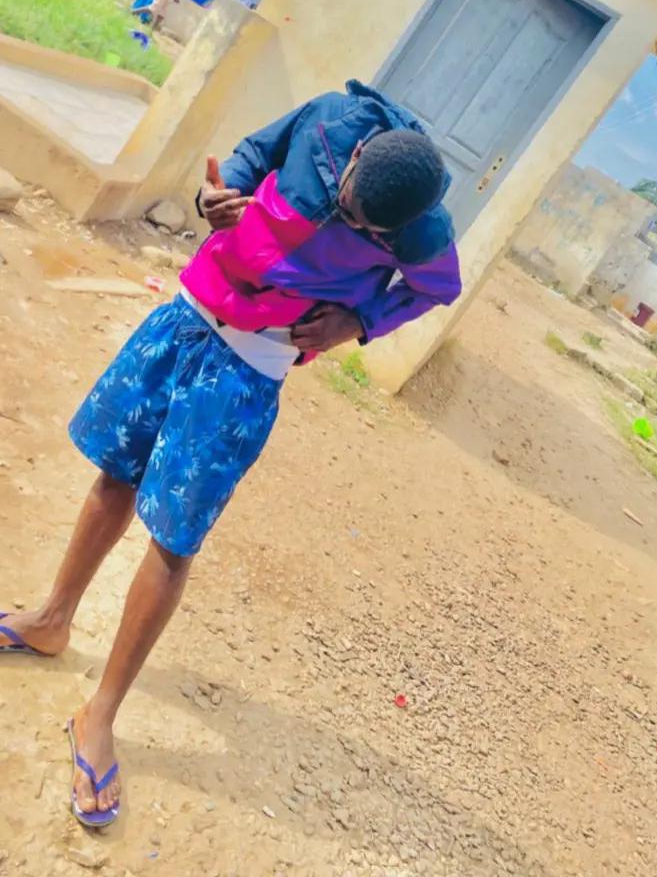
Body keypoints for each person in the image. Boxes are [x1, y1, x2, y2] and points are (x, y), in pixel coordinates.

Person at [0, 81, 461, 828]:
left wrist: (357, 321)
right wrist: (221, 195)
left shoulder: (422, 227)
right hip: (186, 314)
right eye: (345, 203)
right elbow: (250, 155)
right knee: (114, 476)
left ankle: (101, 713)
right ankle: (52, 619)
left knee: (172, 541)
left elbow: (438, 287)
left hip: (249, 369)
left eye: (363, 228)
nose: (346, 219)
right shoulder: (328, 119)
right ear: (352, 161)